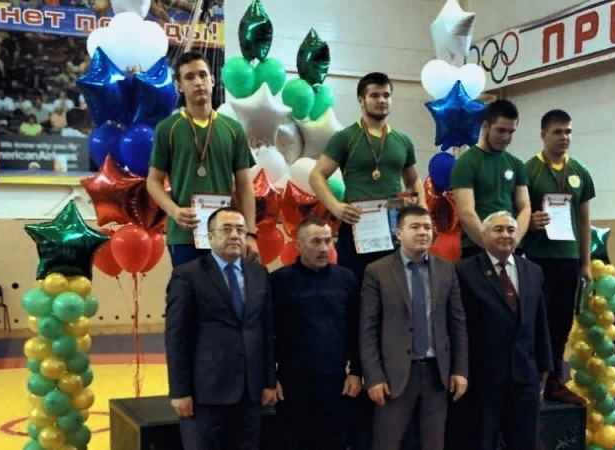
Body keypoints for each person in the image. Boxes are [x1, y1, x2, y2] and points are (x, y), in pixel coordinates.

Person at [308, 71, 427, 450]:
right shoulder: (346, 138)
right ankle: (358, 371)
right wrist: (335, 207)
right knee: (359, 305)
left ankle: (396, 369)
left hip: (392, 234)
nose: (382, 101)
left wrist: (419, 209)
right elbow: (317, 176)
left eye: (386, 95)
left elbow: (414, 181)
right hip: (357, 232)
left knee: (396, 304)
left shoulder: (403, 141)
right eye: (374, 95)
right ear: (361, 100)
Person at [165, 207, 278, 450]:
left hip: (250, 393)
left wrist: (269, 381)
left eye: (240, 230)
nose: (235, 235)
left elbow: (266, 331)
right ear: (210, 236)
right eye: (226, 229)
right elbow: (176, 337)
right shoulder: (187, 275)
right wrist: (179, 391)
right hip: (205, 395)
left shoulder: (259, 273)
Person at [360, 205, 469, 450]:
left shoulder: (446, 269)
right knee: (386, 442)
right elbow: (368, 329)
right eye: (415, 227)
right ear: (398, 233)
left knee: (433, 443)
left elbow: (457, 323)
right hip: (394, 374)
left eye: (427, 227)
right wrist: (374, 376)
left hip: (437, 372)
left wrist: (460, 370)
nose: (423, 232)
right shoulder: (377, 271)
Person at [147, 50, 259, 268]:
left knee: (227, 289)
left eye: (202, 75)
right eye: (189, 77)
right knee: (187, 289)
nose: (198, 82)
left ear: (213, 80)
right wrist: (175, 211)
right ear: (179, 85)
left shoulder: (233, 129)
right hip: (185, 234)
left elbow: (245, 184)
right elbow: (153, 181)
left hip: (227, 233)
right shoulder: (167, 129)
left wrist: (250, 233)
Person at [455, 211, 553, 450]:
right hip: (483, 377)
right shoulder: (463, 271)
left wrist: (544, 369)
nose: (506, 235)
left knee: (525, 442)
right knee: (481, 441)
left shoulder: (533, 271)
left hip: (525, 376)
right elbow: (458, 327)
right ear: (483, 235)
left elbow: (540, 323)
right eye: (498, 229)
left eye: (511, 230)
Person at [519, 109, 594, 405]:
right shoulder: (528, 170)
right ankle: (531, 379)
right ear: (543, 135)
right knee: (536, 321)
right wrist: (529, 222)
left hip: (568, 258)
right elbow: (517, 213)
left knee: (562, 322)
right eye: (558, 132)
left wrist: (585, 263)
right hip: (536, 258)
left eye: (568, 132)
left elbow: (585, 221)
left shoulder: (579, 172)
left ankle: (554, 381)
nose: (565, 137)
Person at [269, 216, 363, 450]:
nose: (324, 248)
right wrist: (270, 377)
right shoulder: (279, 281)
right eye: (316, 242)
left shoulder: (346, 279)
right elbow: (268, 333)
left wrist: (356, 372)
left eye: (328, 241)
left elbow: (356, 328)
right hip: (291, 384)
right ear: (299, 246)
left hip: (337, 381)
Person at [450, 99, 531, 258]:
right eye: (500, 130)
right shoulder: (466, 163)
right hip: (476, 247)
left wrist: (513, 241)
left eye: (511, 132)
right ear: (485, 125)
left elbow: (525, 208)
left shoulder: (516, 164)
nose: (505, 137)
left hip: (511, 249)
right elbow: (466, 213)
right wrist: (492, 246)